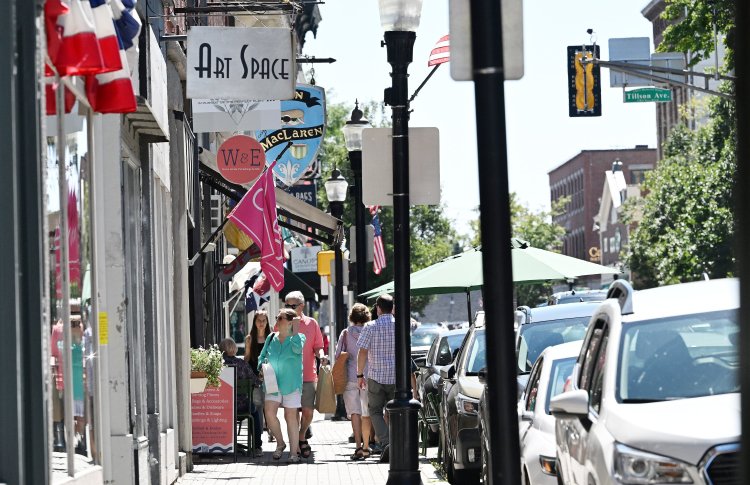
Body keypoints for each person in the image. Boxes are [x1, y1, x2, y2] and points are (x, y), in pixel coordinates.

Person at [257, 309, 306, 463]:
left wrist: (295, 330)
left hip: (291, 383)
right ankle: (280, 443)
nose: (277, 320)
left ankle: (293, 453)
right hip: (272, 381)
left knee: (290, 416)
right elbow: (262, 355)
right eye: (276, 317)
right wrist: (261, 367)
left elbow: (298, 348)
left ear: (290, 322)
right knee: (269, 413)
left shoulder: (298, 338)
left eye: (280, 318)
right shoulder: (271, 337)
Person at [284, 291, 327, 458]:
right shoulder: (281, 322)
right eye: (286, 305)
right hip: (288, 376)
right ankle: (296, 445)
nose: (288, 308)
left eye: (292, 305)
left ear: (301, 306)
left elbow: (318, 346)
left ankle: (301, 435)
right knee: (292, 412)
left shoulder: (311, 323)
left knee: (308, 411)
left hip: (308, 375)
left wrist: (322, 356)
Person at [356, 294, 396, 463]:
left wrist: (359, 375)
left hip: (376, 376)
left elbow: (362, 352)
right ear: (392, 308)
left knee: (374, 411)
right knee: (396, 412)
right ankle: (396, 443)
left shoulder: (370, 326)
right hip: (396, 377)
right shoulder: (400, 324)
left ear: (378, 308)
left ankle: (387, 442)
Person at [335, 303, 373, 460]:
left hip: (350, 376)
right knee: (367, 411)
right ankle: (366, 445)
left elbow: (338, 355)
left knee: (355, 413)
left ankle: (358, 445)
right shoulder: (370, 331)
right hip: (368, 375)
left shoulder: (345, 333)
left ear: (352, 317)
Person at [219, 337, 263, 457]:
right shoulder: (242, 364)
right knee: (254, 412)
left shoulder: (218, 365)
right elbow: (256, 382)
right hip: (243, 406)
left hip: (222, 406)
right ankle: (257, 445)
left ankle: (221, 443)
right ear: (234, 349)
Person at [244, 310, 271, 441]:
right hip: (255, 379)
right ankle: (258, 440)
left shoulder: (271, 338)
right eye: (258, 320)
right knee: (257, 406)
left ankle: (272, 431)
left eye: (263, 320)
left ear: (267, 322)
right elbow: (247, 359)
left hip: (270, 378)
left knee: (270, 407)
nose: (261, 323)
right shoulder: (250, 338)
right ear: (254, 322)